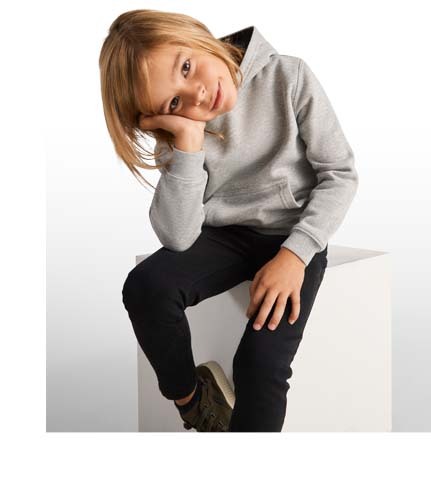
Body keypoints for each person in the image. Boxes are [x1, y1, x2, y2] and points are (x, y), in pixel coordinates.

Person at [99, 10, 359, 432]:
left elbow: (340, 174)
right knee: (146, 287)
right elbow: (178, 236)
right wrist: (187, 142)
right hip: (226, 236)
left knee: (260, 363)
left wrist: (295, 256)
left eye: (186, 66)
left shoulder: (288, 76)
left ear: (196, 34)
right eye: (173, 103)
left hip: (292, 235)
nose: (197, 95)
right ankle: (194, 403)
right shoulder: (184, 132)